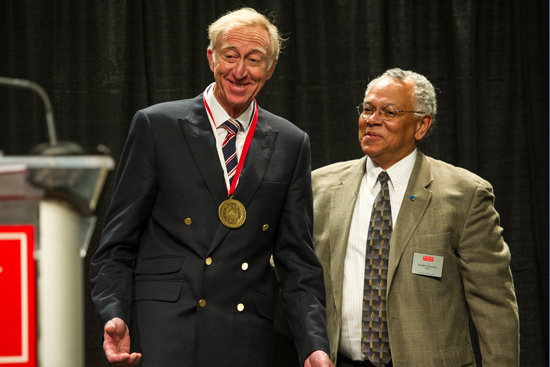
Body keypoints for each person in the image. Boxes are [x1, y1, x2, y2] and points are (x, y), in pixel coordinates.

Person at [90, 7, 332, 367]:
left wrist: (314, 345)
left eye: (254, 59)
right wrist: (113, 310)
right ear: (211, 57)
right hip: (164, 329)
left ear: (271, 67)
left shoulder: (291, 142)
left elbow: (297, 259)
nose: (240, 71)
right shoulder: (158, 126)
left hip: (243, 333)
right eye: (230, 56)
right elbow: (117, 242)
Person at [311, 68, 519, 367]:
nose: (372, 119)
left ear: (421, 126)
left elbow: (494, 303)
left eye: (389, 112)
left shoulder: (464, 194)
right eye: (367, 109)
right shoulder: (319, 186)